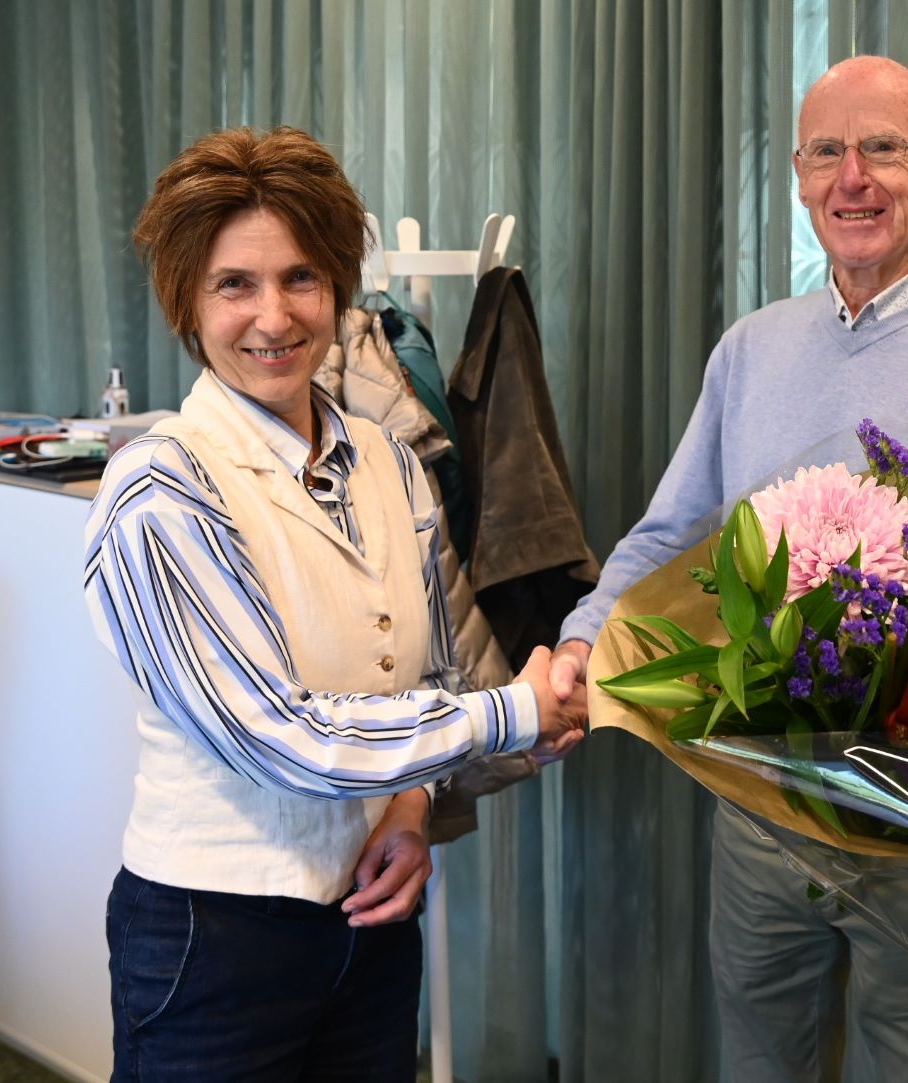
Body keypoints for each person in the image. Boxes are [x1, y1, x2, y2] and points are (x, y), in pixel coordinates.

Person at [548, 56, 908, 1082]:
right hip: (761, 810)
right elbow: (671, 534)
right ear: (797, 176)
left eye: (884, 148)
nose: (854, 179)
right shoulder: (749, 351)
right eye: (828, 152)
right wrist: (584, 635)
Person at [82, 126, 582, 1081]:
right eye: (235, 283)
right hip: (212, 939)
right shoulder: (160, 489)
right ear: (188, 301)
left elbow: (428, 670)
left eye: (302, 277)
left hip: (370, 919)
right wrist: (514, 710)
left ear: (340, 290)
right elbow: (277, 737)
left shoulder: (389, 457)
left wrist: (406, 812)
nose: (273, 314)